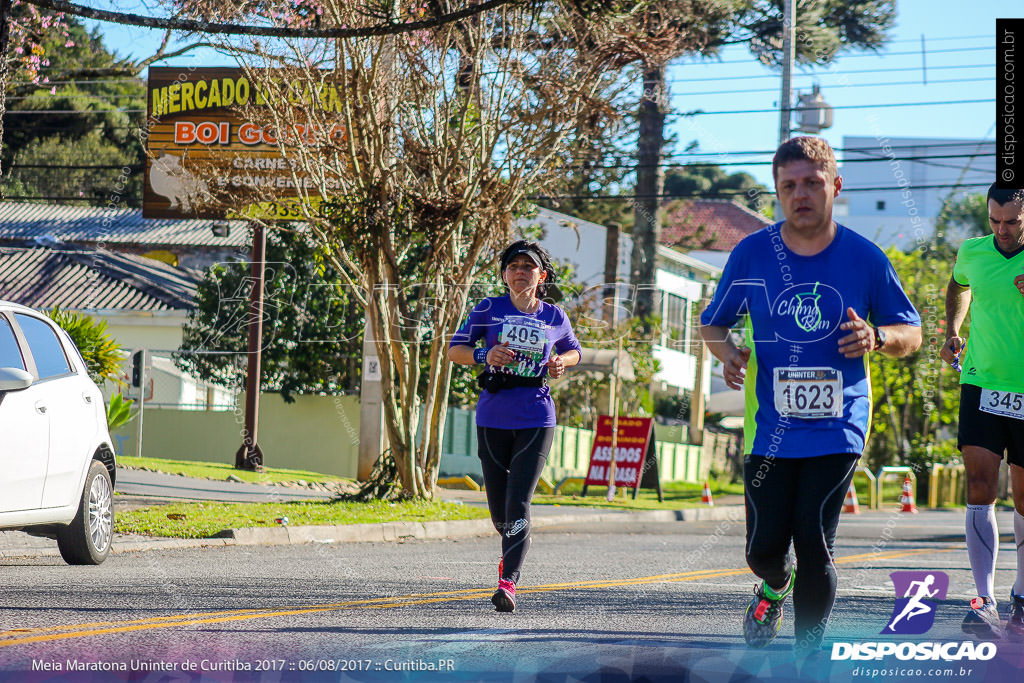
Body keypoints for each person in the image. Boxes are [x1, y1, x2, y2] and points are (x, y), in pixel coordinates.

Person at [699, 137, 922, 656]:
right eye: (789, 185)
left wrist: (878, 337)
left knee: (814, 539)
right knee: (764, 551)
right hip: (769, 430)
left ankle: (809, 655)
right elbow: (712, 324)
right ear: (778, 192)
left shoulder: (865, 259)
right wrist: (727, 352)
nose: (801, 194)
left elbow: (909, 332)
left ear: (835, 186)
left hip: (838, 425)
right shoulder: (752, 253)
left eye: (812, 183)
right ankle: (773, 588)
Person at [447, 240, 582, 612]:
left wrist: (561, 363)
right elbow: (454, 349)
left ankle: (508, 584)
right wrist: (483, 354)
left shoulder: (554, 316)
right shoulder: (488, 308)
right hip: (493, 414)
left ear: (542, 276)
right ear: (504, 274)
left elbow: (575, 350)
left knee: (519, 501)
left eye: (529, 266)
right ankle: (511, 547)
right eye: (514, 266)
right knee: (500, 512)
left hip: (537, 414)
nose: (521, 271)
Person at [940, 183, 1024, 641]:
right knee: (979, 486)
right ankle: (983, 600)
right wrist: (953, 328)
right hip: (981, 382)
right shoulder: (973, 250)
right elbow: (959, 283)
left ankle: (1022, 598)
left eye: (1012, 222)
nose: (1002, 230)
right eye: (995, 220)